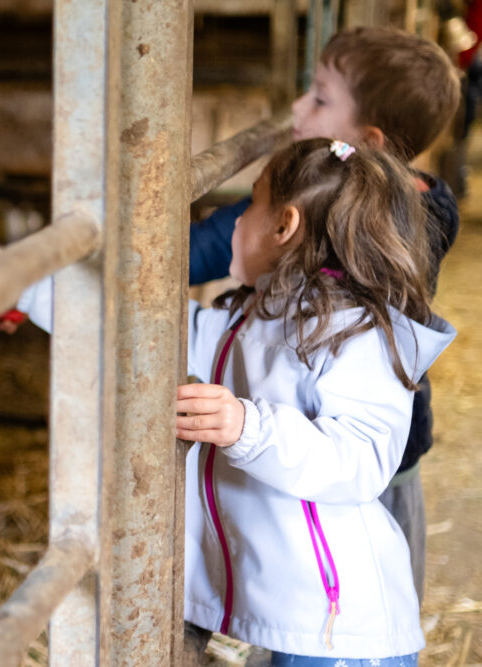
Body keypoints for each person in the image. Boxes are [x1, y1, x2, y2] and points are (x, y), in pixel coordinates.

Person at [189, 26, 462, 602]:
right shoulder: (330, 204)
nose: (295, 107)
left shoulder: (399, 222)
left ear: (369, 140)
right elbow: (211, 245)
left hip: (372, 446)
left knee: (375, 577)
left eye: (318, 96)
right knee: (303, 584)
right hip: (289, 439)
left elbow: (223, 245)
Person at [177, 138, 454, 663]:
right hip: (297, 621)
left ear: (283, 226)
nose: (230, 220)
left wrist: (247, 428)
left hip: (342, 629)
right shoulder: (247, 318)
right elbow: (145, 329)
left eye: (247, 205)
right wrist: (23, 285)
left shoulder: (359, 334)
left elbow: (359, 458)